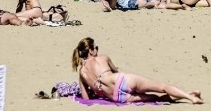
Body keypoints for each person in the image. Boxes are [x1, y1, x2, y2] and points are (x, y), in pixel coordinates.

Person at [72, 37, 202, 104]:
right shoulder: (102, 58)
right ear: (90, 50)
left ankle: (189, 94)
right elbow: (116, 72)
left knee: (154, 98)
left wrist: (96, 91)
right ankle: (190, 97)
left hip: (117, 97)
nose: (97, 50)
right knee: (162, 86)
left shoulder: (82, 73)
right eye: (96, 48)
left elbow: (86, 99)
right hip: (121, 81)